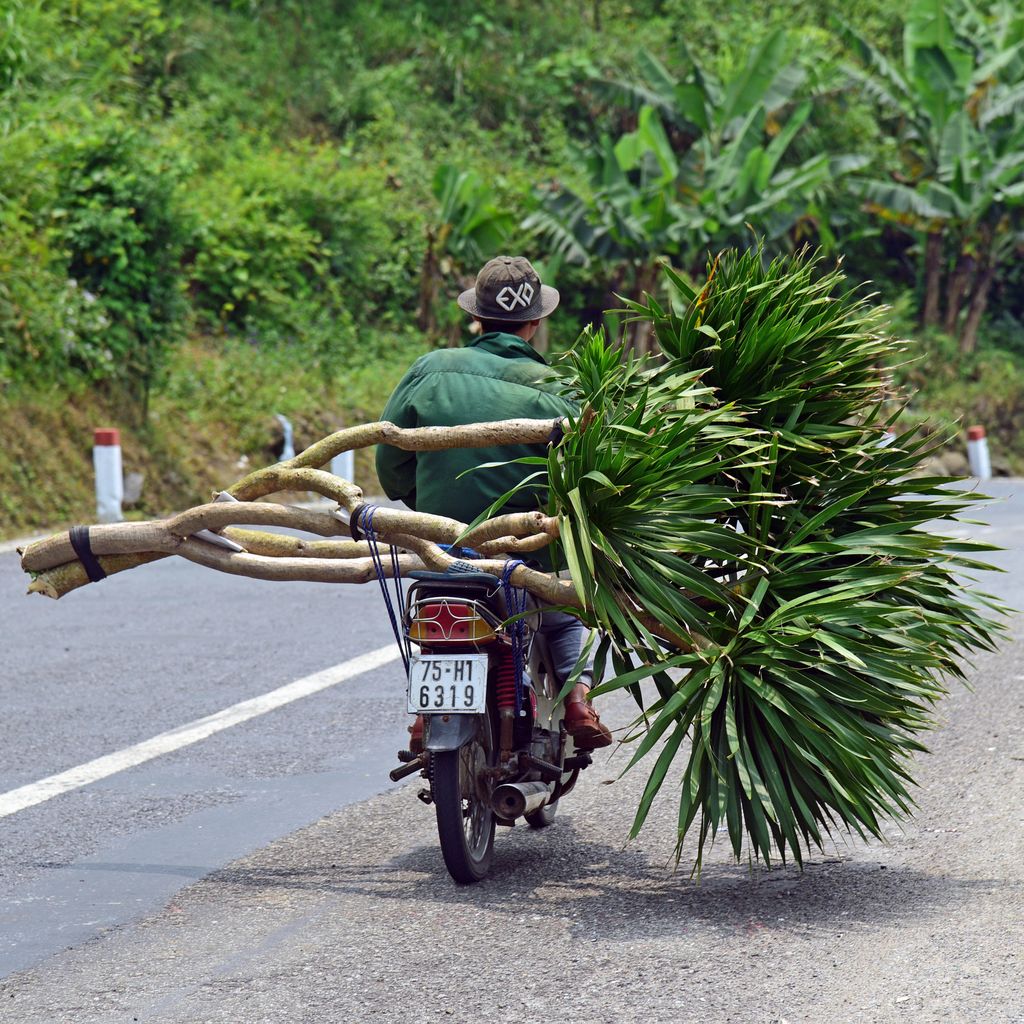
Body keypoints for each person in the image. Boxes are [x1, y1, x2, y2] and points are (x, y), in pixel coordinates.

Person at [375, 255, 612, 750]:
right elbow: (585, 484)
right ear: (535, 323)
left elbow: (391, 469)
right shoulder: (563, 389)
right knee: (572, 610)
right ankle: (576, 700)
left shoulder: (429, 369)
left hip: (442, 557)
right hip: (524, 559)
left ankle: (427, 714)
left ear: (476, 318)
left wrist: (434, 511)